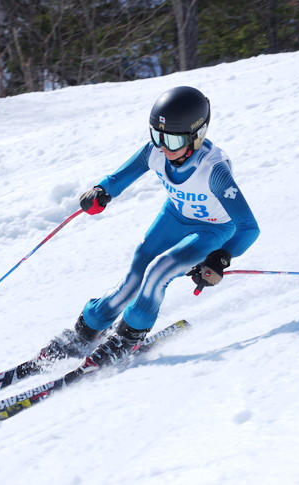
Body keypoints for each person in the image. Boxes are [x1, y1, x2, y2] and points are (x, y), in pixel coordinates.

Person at [40, 86, 260, 375]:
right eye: (157, 135)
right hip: (175, 216)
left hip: (214, 229)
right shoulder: (155, 152)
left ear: (197, 136)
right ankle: (87, 329)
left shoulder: (214, 171)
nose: (163, 146)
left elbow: (248, 227)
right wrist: (101, 191)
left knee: (160, 271)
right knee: (135, 272)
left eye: (171, 139)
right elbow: (121, 176)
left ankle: (129, 337)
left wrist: (220, 258)